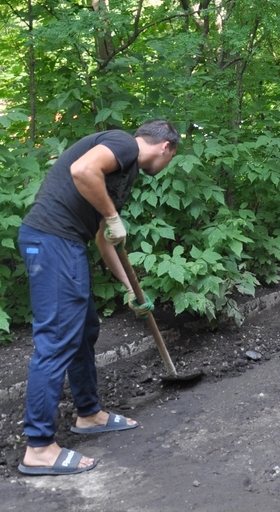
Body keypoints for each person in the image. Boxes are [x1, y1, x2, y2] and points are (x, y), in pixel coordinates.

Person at [16, 119, 180, 475]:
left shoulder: (124, 172)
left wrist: (130, 288)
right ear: (166, 148)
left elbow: (106, 239)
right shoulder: (124, 145)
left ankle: (89, 414)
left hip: (66, 244)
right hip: (51, 240)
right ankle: (40, 447)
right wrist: (110, 215)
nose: (166, 166)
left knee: (84, 331)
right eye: (171, 159)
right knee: (57, 340)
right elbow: (81, 169)